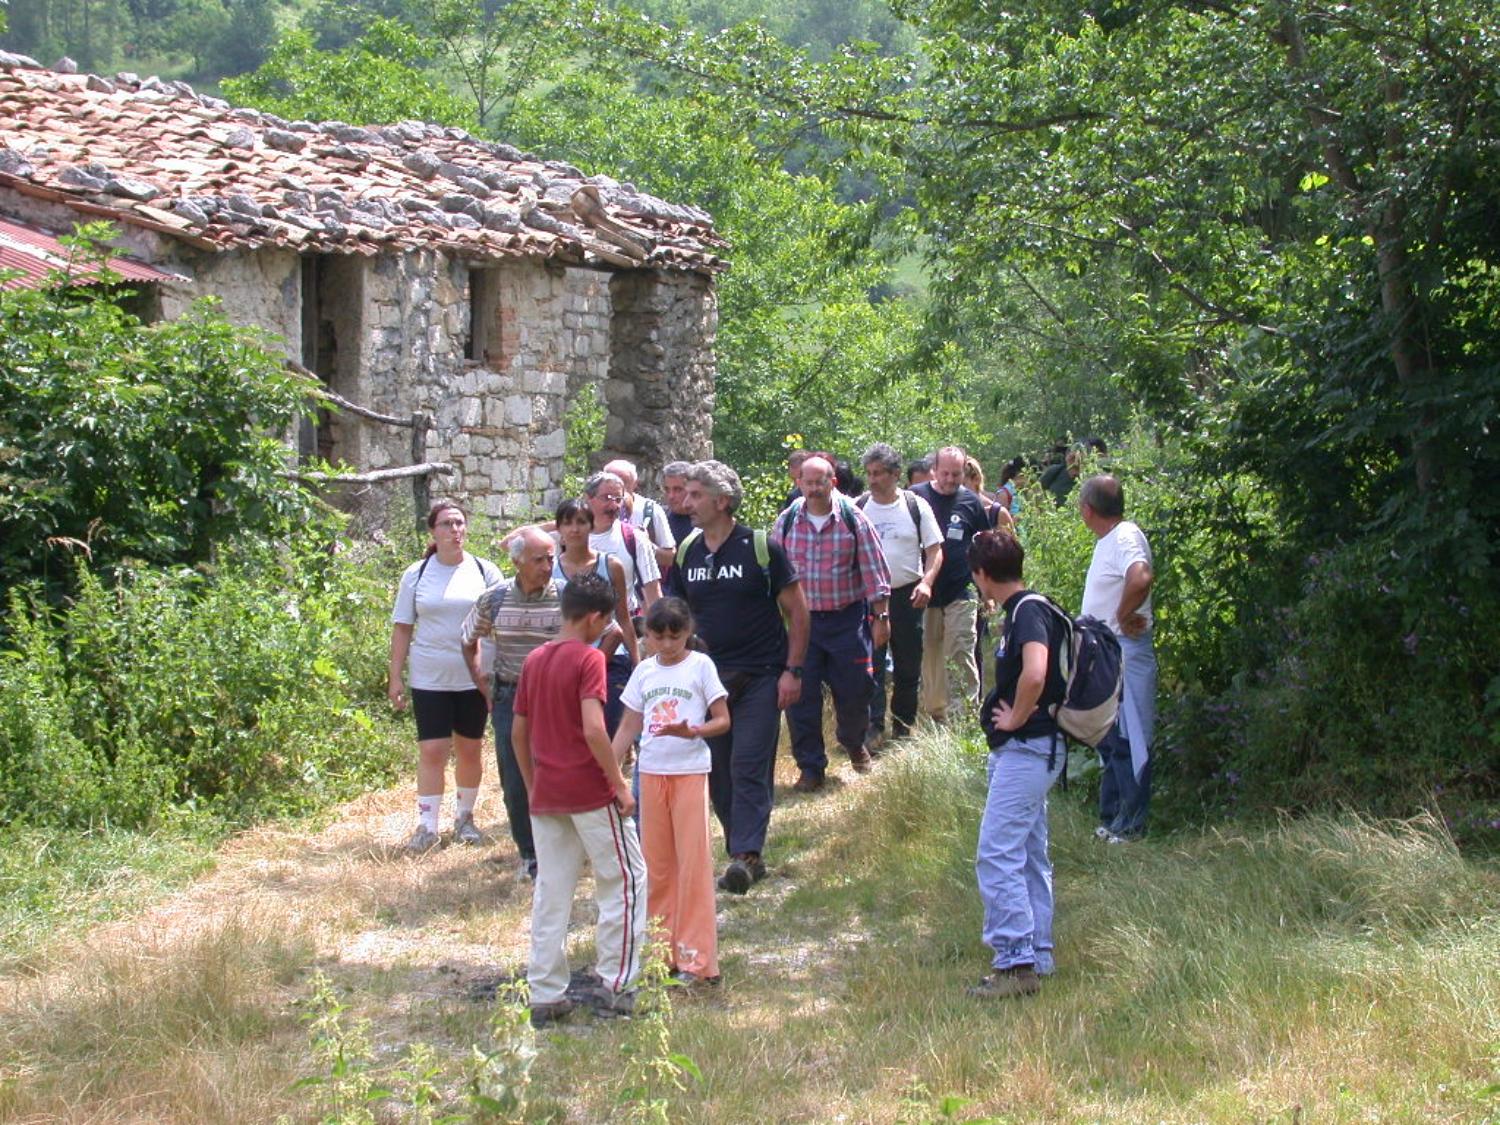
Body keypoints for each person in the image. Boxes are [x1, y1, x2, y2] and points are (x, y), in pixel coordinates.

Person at [513, 571, 646, 1028]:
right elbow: (593, 728)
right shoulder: (588, 659)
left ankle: (545, 993)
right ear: (593, 618)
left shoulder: (535, 659)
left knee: (552, 891)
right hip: (589, 790)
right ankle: (619, 985)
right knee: (625, 882)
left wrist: (533, 783)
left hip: (548, 791)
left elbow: (518, 732)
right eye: (606, 622)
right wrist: (618, 784)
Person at [675, 459, 809, 894]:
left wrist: (793, 670)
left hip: (761, 676)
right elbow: (678, 616)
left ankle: (744, 856)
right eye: (686, 494)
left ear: (723, 500)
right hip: (708, 684)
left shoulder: (760, 547)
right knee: (717, 771)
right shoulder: (687, 551)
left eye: (696, 495)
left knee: (749, 764)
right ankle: (743, 849)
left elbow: (798, 612)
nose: (686, 502)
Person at [966, 529, 1069, 999]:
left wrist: (1016, 717)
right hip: (1033, 750)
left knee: (997, 853)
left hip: (1029, 749)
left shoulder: (1027, 612)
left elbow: (1035, 672)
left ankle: (1015, 963)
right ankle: (1038, 955)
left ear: (983, 575)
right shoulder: (1028, 608)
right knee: (1028, 854)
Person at [611, 598, 730, 986]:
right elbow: (628, 725)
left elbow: (723, 720)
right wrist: (608, 773)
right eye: (657, 637)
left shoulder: (700, 666)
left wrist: (692, 731)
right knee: (656, 866)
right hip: (650, 773)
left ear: (688, 632)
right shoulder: (644, 671)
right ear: (646, 636)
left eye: (674, 636)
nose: (666, 644)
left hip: (690, 772)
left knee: (693, 865)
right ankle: (662, 956)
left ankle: (698, 961)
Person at [772, 455, 892, 789]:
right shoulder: (787, 521)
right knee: (800, 697)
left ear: (832, 482)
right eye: (807, 482)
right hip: (801, 625)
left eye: (819, 482)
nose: (813, 488)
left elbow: (874, 570)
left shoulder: (854, 519)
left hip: (846, 621)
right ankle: (811, 768)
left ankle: (854, 743)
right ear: (799, 484)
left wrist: (881, 617)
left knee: (856, 690)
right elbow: (773, 573)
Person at [389, 500, 501, 854]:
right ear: (432, 532)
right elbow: (403, 627)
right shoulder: (417, 574)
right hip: (429, 676)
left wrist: (496, 675)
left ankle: (465, 819)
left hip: (474, 678)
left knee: (470, 749)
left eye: (460, 523)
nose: (455, 531)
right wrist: (395, 677)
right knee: (433, 750)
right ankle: (427, 825)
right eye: (447, 524)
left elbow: (503, 624)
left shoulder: (485, 571)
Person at [460, 526, 565, 880]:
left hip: (556, 700)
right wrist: (481, 682)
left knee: (560, 772)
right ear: (517, 561)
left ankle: (560, 847)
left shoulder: (566, 596)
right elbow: (467, 638)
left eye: (551, 558)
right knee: (516, 778)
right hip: (510, 696)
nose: (547, 565)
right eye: (539, 559)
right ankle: (530, 853)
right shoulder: (495, 598)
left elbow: (606, 633)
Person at [1079, 474, 1157, 842]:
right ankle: (1112, 820)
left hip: (1125, 653)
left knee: (1132, 738)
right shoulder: (1110, 540)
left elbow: (1140, 577)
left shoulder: (1125, 535)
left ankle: (1131, 827)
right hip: (1109, 655)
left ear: (1087, 509)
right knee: (1111, 738)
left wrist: (1123, 617)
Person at [858, 442, 943, 747]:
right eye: (869, 473)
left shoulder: (915, 506)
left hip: (908, 596)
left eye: (879, 473)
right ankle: (873, 728)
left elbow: (935, 550)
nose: (873, 479)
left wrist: (927, 583)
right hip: (869, 597)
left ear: (895, 474)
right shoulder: (859, 507)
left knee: (908, 666)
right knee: (872, 665)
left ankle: (903, 728)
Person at [911, 447, 992, 723]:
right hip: (925, 590)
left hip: (962, 588)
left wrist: (988, 592)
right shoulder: (917, 497)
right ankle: (936, 714)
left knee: (960, 648)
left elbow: (984, 547)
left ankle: (964, 716)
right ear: (934, 469)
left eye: (956, 474)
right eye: (945, 473)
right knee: (930, 653)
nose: (949, 479)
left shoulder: (971, 502)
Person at [553, 496, 640, 735]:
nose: (574, 529)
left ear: (591, 525)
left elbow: (623, 617)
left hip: (611, 658)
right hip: (567, 662)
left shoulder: (611, 565)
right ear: (558, 528)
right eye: (568, 523)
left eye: (581, 522)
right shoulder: (550, 569)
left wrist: (637, 662)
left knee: (609, 730)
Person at [584, 470, 662, 616]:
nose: (613, 506)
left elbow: (653, 591)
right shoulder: (570, 537)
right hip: (580, 628)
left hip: (624, 624)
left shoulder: (635, 538)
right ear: (588, 499)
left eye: (618, 499)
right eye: (606, 498)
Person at [603, 457, 677, 575]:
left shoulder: (651, 511)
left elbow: (669, 558)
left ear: (635, 484)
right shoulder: (591, 510)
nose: (617, 488)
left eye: (623, 482)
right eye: (611, 482)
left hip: (641, 588)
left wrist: (644, 545)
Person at [658, 461, 697, 599]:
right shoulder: (659, 519)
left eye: (678, 489)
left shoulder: (704, 523)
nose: (671, 496)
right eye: (667, 489)